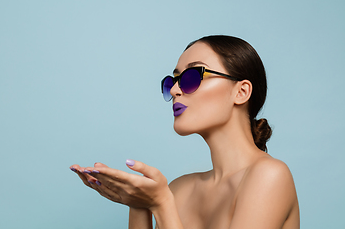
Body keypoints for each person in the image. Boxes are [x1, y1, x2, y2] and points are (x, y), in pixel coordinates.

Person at [70, 35, 300, 229]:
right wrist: (139, 204)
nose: (175, 89)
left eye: (192, 76)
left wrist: (160, 204)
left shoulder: (269, 176)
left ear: (241, 92)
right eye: (173, 80)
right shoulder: (179, 190)